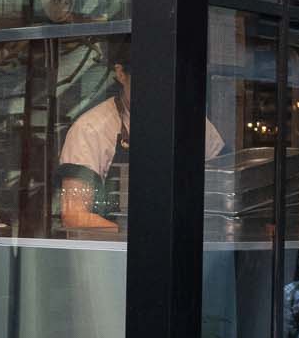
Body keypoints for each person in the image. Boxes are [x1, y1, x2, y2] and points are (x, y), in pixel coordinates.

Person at [59, 53, 224, 232]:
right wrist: (134, 239)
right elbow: (75, 216)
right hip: (119, 253)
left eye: (166, 78)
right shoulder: (90, 129)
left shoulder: (193, 123)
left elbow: (224, 194)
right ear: (121, 73)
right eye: (148, 78)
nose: (157, 88)